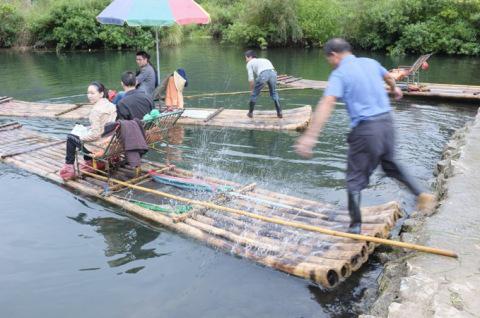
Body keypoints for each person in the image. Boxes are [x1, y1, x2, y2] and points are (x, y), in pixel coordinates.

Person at [294, 38, 436, 234]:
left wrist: (310, 137)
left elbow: (327, 103)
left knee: (354, 179)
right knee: (390, 165)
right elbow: (388, 77)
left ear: (334, 55)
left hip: (366, 129)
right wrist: (394, 89)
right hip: (387, 123)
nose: (331, 64)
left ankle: (355, 226)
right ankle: (421, 194)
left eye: (329, 60)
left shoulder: (340, 74)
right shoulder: (371, 62)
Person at [59, 81, 117, 180]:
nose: (89, 96)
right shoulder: (111, 106)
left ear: (101, 94)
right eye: (88, 93)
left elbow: (95, 135)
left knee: (71, 138)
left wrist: (81, 137)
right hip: (108, 142)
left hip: (99, 145)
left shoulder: (95, 111)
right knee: (85, 131)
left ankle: (69, 168)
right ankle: (91, 161)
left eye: (92, 93)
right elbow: (106, 125)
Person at [244, 50, 282, 118]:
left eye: (246, 58)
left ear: (250, 57)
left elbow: (251, 79)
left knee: (254, 94)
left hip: (264, 74)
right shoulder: (265, 59)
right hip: (273, 73)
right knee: (274, 93)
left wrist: (252, 90)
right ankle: (279, 113)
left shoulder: (249, 63)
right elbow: (269, 71)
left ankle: (250, 113)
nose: (246, 60)